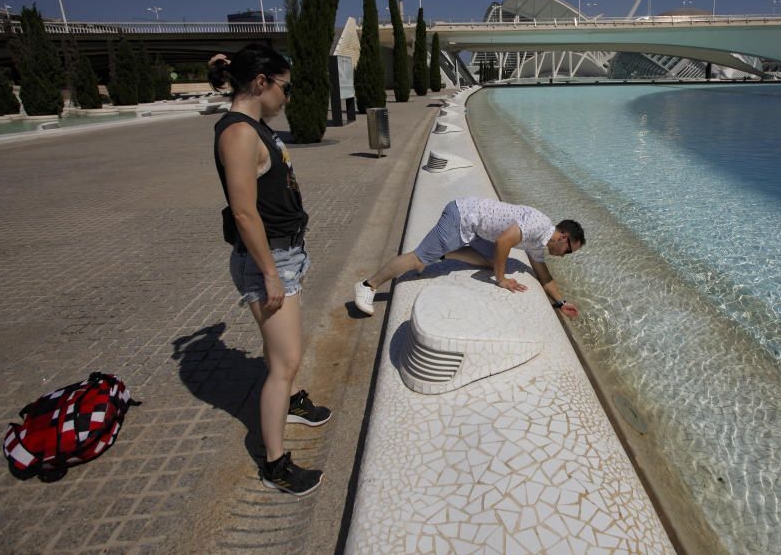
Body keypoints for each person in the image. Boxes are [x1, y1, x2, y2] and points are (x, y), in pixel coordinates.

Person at [209, 44, 331, 496]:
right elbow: (244, 213)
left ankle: (292, 402)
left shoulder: (252, 125)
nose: (288, 97)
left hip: (283, 254)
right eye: (285, 87)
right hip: (268, 261)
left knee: (281, 351)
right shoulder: (238, 134)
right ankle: (275, 464)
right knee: (285, 361)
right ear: (261, 83)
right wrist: (271, 275)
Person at [354, 197, 584, 318]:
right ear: (563, 237)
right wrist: (501, 279)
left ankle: (445, 252)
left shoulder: (539, 241)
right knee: (418, 259)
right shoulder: (539, 225)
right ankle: (368, 285)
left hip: (476, 229)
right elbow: (504, 241)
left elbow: (544, 275)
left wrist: (561, 303)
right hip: (462, 216)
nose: (566, 256)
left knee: (492, 261)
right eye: (570, 251)